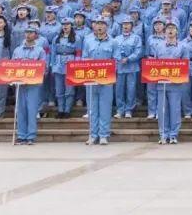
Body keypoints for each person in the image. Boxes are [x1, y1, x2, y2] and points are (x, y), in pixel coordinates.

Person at [81, 17, 117, 145]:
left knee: (105, 108)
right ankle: (92, 134)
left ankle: (103, 135)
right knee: (92, 108)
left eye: (102, 24)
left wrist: (107, 68)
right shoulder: (88, 41)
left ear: (107, 26)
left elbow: (116, 60)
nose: (100, 26)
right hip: (91, 79)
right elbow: (84, 58)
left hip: (106, 80)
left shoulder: (113, 42)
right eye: (97, 24)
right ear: (94, 26)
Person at [12, 25, 48, 145]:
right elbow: (12, 66)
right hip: (20, 84)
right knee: (21, 109)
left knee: (31, 109)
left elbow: (44, 67)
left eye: (31, 32)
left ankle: (31, 136)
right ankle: (21, 135)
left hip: (33, 84)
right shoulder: (17, 50)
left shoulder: (40, 51)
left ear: (36, 35)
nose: (28, 35)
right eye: (27, 32)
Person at [152, 23, 186, 144]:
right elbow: (154, 64)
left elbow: (186, 64)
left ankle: (173, 135)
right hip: (161, 83)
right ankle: (163, 134)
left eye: (173, 28)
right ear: (164, 31)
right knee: (162, 110)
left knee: (175, 109)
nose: (170, 31)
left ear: (177, 31)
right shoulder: (158, 46)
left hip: (176, 84)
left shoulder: (183, 47)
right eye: (168, 28)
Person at [50, 18, 79, 118]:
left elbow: (78, 53)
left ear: (71, 26)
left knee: (69, 89)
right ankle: (60, 110)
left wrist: (76, 65)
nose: (65, 26)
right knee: (59, 89)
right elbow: (53, 53)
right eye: (63, 24)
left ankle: (67, 110)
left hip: (70, 63)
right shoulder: (56, 38)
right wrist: (52, 65)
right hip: (58, 64)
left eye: (67, 24)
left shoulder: (76, 38)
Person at [114, 18, 143, 118]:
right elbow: (114, 51)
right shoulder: (117, 38)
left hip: (132, 67)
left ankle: (129, 110)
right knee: (119, 89)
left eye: (128, 24)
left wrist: (129, 58)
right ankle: (120, 109)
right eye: (124, 24)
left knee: (131, 89)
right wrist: (119, 58)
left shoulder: (136, 38)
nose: (126, 26)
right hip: (120, 67)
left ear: (132, 25)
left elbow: (138, 51)